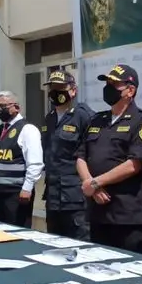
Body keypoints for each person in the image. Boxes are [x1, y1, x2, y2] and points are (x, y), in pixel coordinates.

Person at [76, 64, 142, 254]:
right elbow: (80, 156)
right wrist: (89, 183)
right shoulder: (97, 119)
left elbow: (134, 164)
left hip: (127, 216)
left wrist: (96, 183)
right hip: (97, 213)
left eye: (114, 84)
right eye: (107, 83)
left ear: (130, 90)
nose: (108, 88)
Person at [40, 70, 94, 240]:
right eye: (53, 88)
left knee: (80, 247)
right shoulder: (49, 118)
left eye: (60, 87)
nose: (56, 92)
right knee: (54, 247)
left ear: (73, 90)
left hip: (76, 200)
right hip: (53, 197)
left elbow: (91, 155)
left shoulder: (85, 116)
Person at [0, 90, 44, 227]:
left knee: (17, 234)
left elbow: (35, 164)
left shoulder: (27, 129)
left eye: (3, 106)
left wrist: (27, 188)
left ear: (16, 107)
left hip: (16, 194)